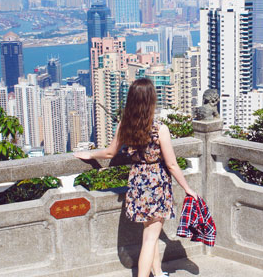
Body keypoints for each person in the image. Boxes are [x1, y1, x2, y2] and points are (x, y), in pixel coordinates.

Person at [75, 78, 197, 277]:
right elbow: (172, 164)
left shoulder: (125, 125)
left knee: (150, 233)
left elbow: (109, 153)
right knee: (150, 238)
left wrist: (90, 155)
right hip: (157, 183)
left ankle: (158, 273)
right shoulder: (160, 129)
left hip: (137, 182)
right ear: (151, 100)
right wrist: (187, 188)